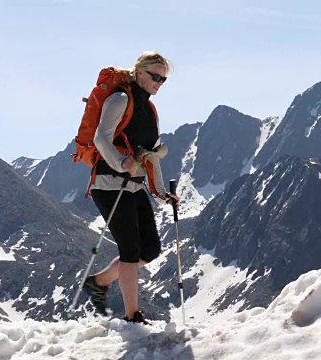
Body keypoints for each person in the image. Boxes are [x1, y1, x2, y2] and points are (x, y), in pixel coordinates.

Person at [82, 51, 180, 324]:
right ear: (139, 72)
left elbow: (151, 156)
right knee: (129, 248)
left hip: (134, 187)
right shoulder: (120, 99)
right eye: (155, 76)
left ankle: (99, 282)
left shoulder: (149, 109)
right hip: (108, 184)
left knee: (149, 251)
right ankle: (132, 315)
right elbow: (102, 138)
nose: (159, 82)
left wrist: (162, 195)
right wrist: (123, 163)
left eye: (164, 78)